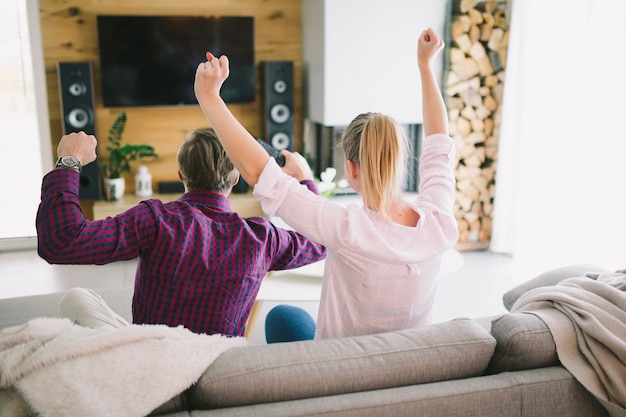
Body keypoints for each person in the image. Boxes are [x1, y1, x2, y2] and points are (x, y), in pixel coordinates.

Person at [194, 27, 458, 342]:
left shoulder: (347, 228)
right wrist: (426, 67)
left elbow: (259, 174)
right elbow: (439, 144)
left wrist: (208, 97)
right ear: (403, 161)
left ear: (350, 169)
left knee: (282, 316)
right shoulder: (440, 222)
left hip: (340, 371)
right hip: (405, 367)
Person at [36, 127, 326, 337]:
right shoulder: (262, 237)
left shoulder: (154, 219)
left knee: (75, 298)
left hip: (150, 358)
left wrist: (69, 160)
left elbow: (61, 241)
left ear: (180, 175)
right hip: (215, 369)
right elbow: (322, 239)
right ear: (236, 178)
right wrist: (304, 179)